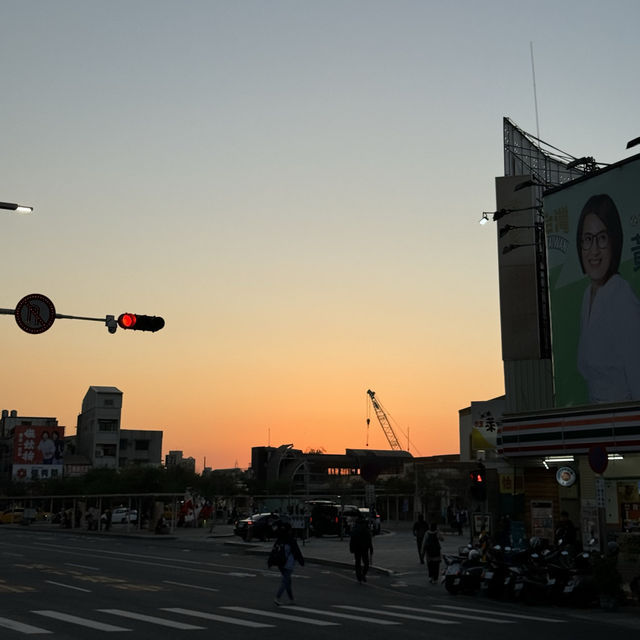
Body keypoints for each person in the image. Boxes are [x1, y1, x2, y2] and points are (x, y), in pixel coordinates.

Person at [576, 193, 640, 403]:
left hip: (624, 424)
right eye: (587, 239)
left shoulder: (622, 297)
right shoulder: (587, 296)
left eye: (602, 238)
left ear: (615, 241)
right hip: (599, 424)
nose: (594, 250)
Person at [273, 523, 304, 605]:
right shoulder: (291, 539)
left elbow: (274, 550)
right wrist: (301, 561)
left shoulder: (280, 538)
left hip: (280, 562)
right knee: (285, 581)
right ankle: (277, 597)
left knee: (288, 581)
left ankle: (291, 599)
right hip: (288, 563)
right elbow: (297, 551)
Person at [349, 514, 373, 583]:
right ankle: (363, 574)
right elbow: (369, 539)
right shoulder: (366, 528)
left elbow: (352, 539)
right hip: (364, 548)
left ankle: (359, 576)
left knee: (358, 563)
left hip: (357, 548)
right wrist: (371, 548)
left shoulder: (355, 527)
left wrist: (351, 548)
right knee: (366, 563)